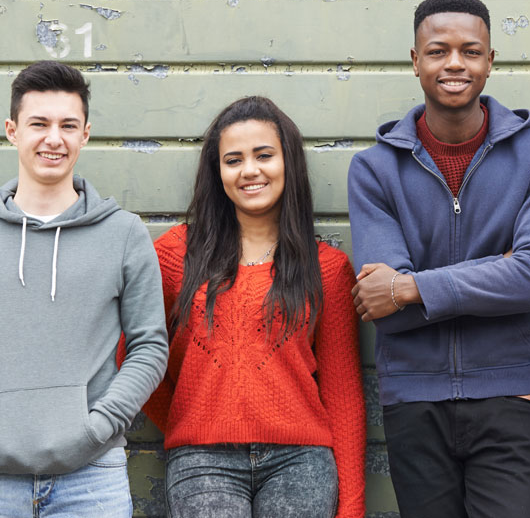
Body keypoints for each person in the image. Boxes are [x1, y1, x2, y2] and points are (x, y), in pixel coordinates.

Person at [347, 0, 530, 518]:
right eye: (438, 51)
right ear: (415, 60)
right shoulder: (375, 170)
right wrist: (499, 271)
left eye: (470, 51)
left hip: (512, 393)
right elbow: (384, 310)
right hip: (413, 397)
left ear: (490, 62)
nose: (454, 63)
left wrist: (411, 287)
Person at [141, 96, 365, 518]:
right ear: (218, 172)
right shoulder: (174, 256)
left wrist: (351, 509)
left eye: (264, 155)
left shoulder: (328, 270)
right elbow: (132, 356)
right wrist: (189, 421)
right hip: (202, 464)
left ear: (288, 163)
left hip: (300, 462)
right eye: (233, 159)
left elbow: (343, 395)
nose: (250, 170)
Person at [0, 61, 168, 516]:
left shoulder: (124, 233)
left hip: (92, 478)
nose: (54, 138)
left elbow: (150, 345)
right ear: (13, 131)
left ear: (85, 134)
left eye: (67, 125)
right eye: (40, 123)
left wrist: (99, 427)